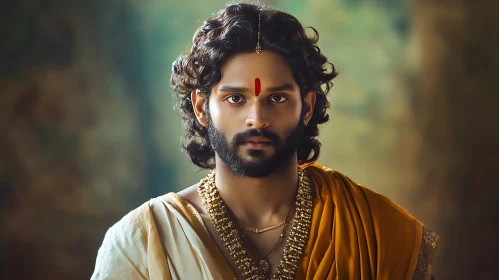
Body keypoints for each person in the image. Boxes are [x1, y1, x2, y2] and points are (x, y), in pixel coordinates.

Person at [91, 2, 439, 280]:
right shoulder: (142, 242)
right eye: (235, 99)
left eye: (277, 98)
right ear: (201, 106)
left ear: (307, 106)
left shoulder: (373, 232)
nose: (256, 119)